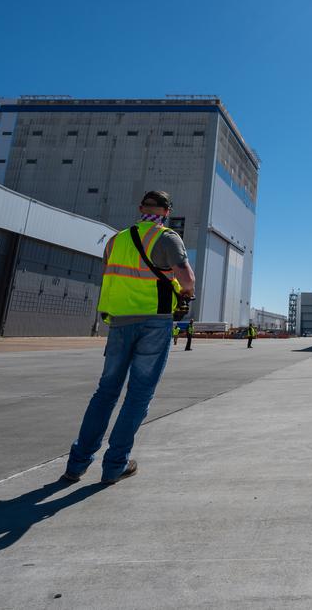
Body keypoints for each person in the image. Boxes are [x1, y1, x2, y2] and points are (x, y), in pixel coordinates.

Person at [62, 190, 195, 485]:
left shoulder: (115, 240)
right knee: (138, 395)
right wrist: (185, 294)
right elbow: (186, 279)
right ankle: (114, 466)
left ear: (140, 208)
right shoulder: (167, 237)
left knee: (105, 394)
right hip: (153, 322)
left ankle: (77, 464)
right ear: (167, 212)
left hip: (119, 322)